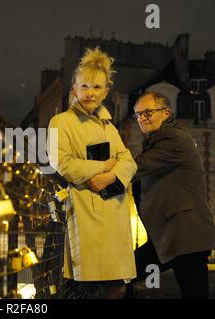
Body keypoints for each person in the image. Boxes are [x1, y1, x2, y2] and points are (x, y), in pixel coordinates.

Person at [48, 47, 137, 298]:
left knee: (117, 286)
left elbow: (129, 161)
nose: (90, 93)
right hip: (87, 214)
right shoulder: (61, 122)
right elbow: (62, 163)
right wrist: (105, 166)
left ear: (106, 92)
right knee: (87, 286)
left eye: (97, 87)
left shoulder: (109, 125)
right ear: (74, 88)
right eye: (85, 86)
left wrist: (110, 176)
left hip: (116, 214)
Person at [128, 92, 215, 299]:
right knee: (124, 274)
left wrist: (99, 171)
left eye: (148, 112)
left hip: (185, 237)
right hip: (171, 237)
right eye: (138, 115)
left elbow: (134, 167)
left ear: (166, 113)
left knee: (123, 273)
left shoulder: (173, 138)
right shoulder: (157, 141)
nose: (142, 118)